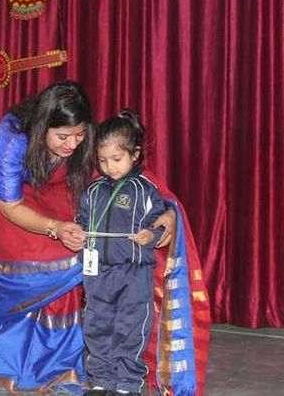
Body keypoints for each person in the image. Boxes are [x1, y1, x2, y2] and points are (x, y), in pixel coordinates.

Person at [0, 82, 178, 392]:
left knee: (80, 248)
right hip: (5, 195)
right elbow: (10, 204)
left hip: (53, 184)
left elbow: (121, 171)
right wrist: (54, 227)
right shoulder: (13, 138)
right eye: (63, 137)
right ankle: (10, 359)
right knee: (38, 252)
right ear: (43, 126)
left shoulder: (78, 142)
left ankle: (59, 362)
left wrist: (167, 207)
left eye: (80, 135)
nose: (73, 145)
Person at [78, 110, 166, 396]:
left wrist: (150, 235)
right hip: (98, 273)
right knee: (97, 325)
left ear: (135, 154)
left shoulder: (145, 189)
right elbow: (81, 221)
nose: (109, 167)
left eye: (116, 159)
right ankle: (101, 380)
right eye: (103, 161)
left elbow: (162, 224)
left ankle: (128, 383)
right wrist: (77, 235)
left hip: (134, 273)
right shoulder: (93, 190)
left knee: (130, 328)